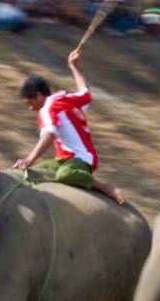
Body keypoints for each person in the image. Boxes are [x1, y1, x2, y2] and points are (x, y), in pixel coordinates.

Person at [13, 48, 126, 204]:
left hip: (80, 159)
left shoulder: (47, 109)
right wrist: (73, 67)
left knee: (65, 175)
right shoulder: (65, 99)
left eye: (29, 102)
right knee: (34, 173)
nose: (30, 107)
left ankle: (103, 186)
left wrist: (29, 158)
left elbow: (49, 135)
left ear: (38, 95)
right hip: (63, 159)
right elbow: (85, 93)